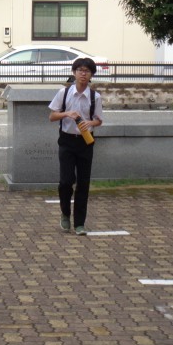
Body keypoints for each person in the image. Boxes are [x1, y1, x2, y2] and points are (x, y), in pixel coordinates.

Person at [48, 58, 103, 235]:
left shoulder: (95, 97)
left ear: (91, 75)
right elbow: (52, 116)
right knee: (66, 181)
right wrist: (66, 114)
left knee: (83, 183)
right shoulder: (64, 93)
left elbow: (99, 120)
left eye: (87, 71)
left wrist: (90, 122)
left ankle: (80, 223)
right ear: (74, 72)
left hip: (86, 142)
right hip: (67, 141)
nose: (83, 74)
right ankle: (65, 213)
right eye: (80, 70)